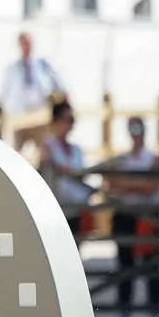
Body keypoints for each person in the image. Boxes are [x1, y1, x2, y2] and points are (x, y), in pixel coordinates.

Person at [100, 117, 159, 317]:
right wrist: (138, 183)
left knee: (152, 265)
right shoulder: (122, 160)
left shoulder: (152, 159)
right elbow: (109, 185)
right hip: (127, 215)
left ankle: (155, 312)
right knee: (124, 264)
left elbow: (152, 186)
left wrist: (125, 185)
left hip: (146, 215)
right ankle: (123, 311)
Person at [39, 101, 92, 238]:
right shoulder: (47, 147)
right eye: (66, 119)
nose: (69, 124)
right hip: (57, 211)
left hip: (77, 210)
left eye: (71, 120)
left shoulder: (76, 150)